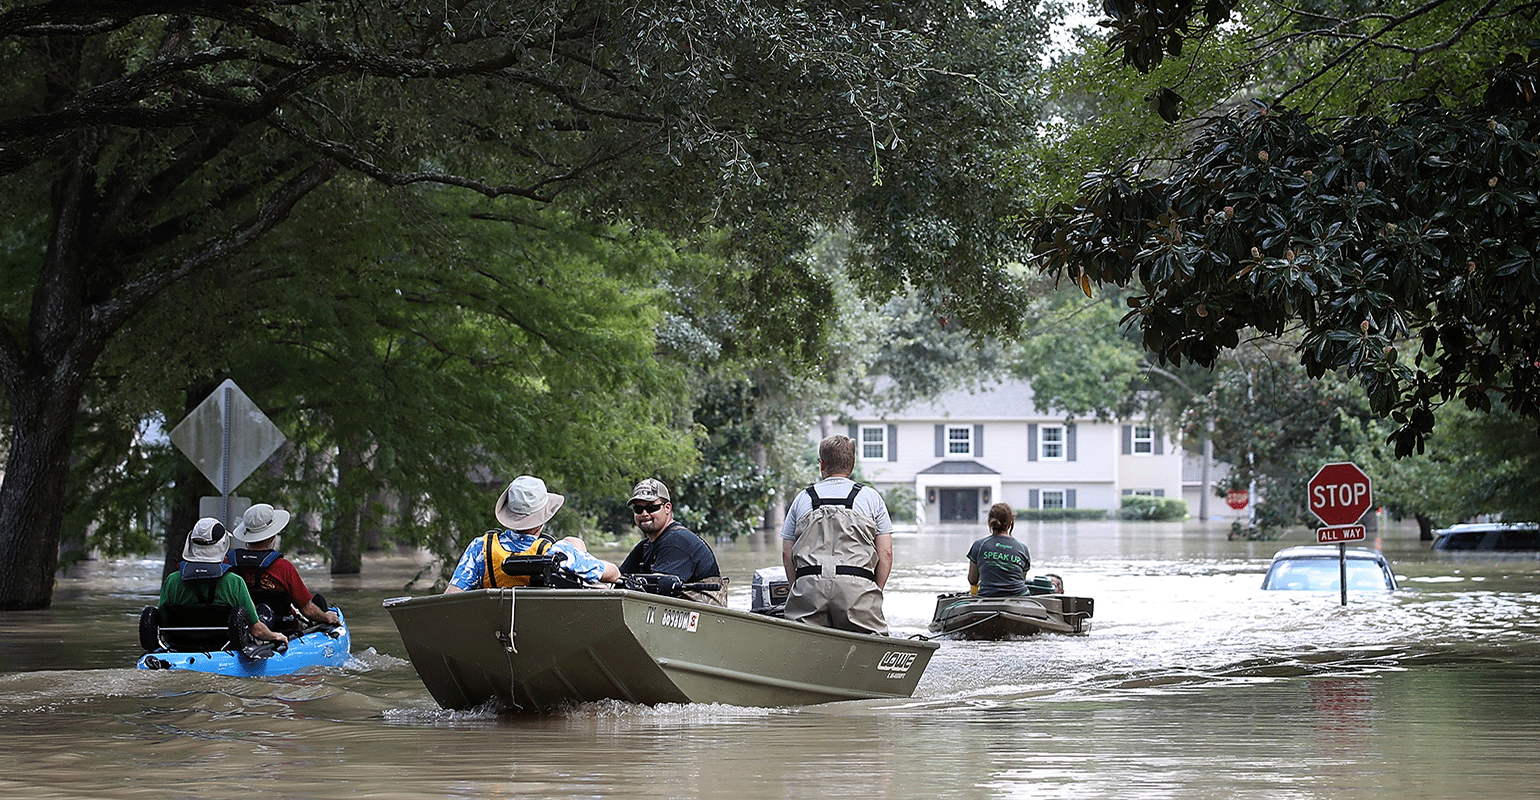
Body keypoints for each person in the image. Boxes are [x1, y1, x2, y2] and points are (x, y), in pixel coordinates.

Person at [780, 434, 893, 634]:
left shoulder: (802, 498)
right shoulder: (871, 498)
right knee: (872, 645)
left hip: (809, 586)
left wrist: (797, 588)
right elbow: (886, 554)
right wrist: (873, 590)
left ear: (822, 464)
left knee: (802, 642)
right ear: (852, 463)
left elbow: (787, 554)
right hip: (857, 587)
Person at [445, 475, 621, 592]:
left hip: (495, 632)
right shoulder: (559, 553)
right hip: (541, 634)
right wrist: (579, 551)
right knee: (575, 542)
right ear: (543, 518)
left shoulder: (481, 547)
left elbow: (451, 598)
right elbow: (613, 574)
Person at [158, 517, 287, 648]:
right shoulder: (234, 582)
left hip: (180, 644)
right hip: (223, 646)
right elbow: (256, 630)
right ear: (223, 544)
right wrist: (275, 635)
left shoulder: (172, 580)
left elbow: (162, 619)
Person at [228, 503, 340, 630]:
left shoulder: (228, 563)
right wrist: (327, 617)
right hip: (282, 628)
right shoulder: (283, 567)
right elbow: (307, 610)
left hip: (239, 630)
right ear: (272, 537)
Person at [619, 478, 727, 606]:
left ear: (667, 508)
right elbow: (619, 579)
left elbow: (658, 590)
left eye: (651, 508)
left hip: (704, 617)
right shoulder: (645, 546)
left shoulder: (678, 540)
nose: (644, 513)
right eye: (638, 509)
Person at [968, 503, 1033, 597]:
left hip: (987, 596)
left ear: (989, 522)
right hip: (1020, 596)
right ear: (1010, 524)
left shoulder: (979, 545)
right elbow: (1022, 578)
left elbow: (972, 580)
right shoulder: (1023, 548)